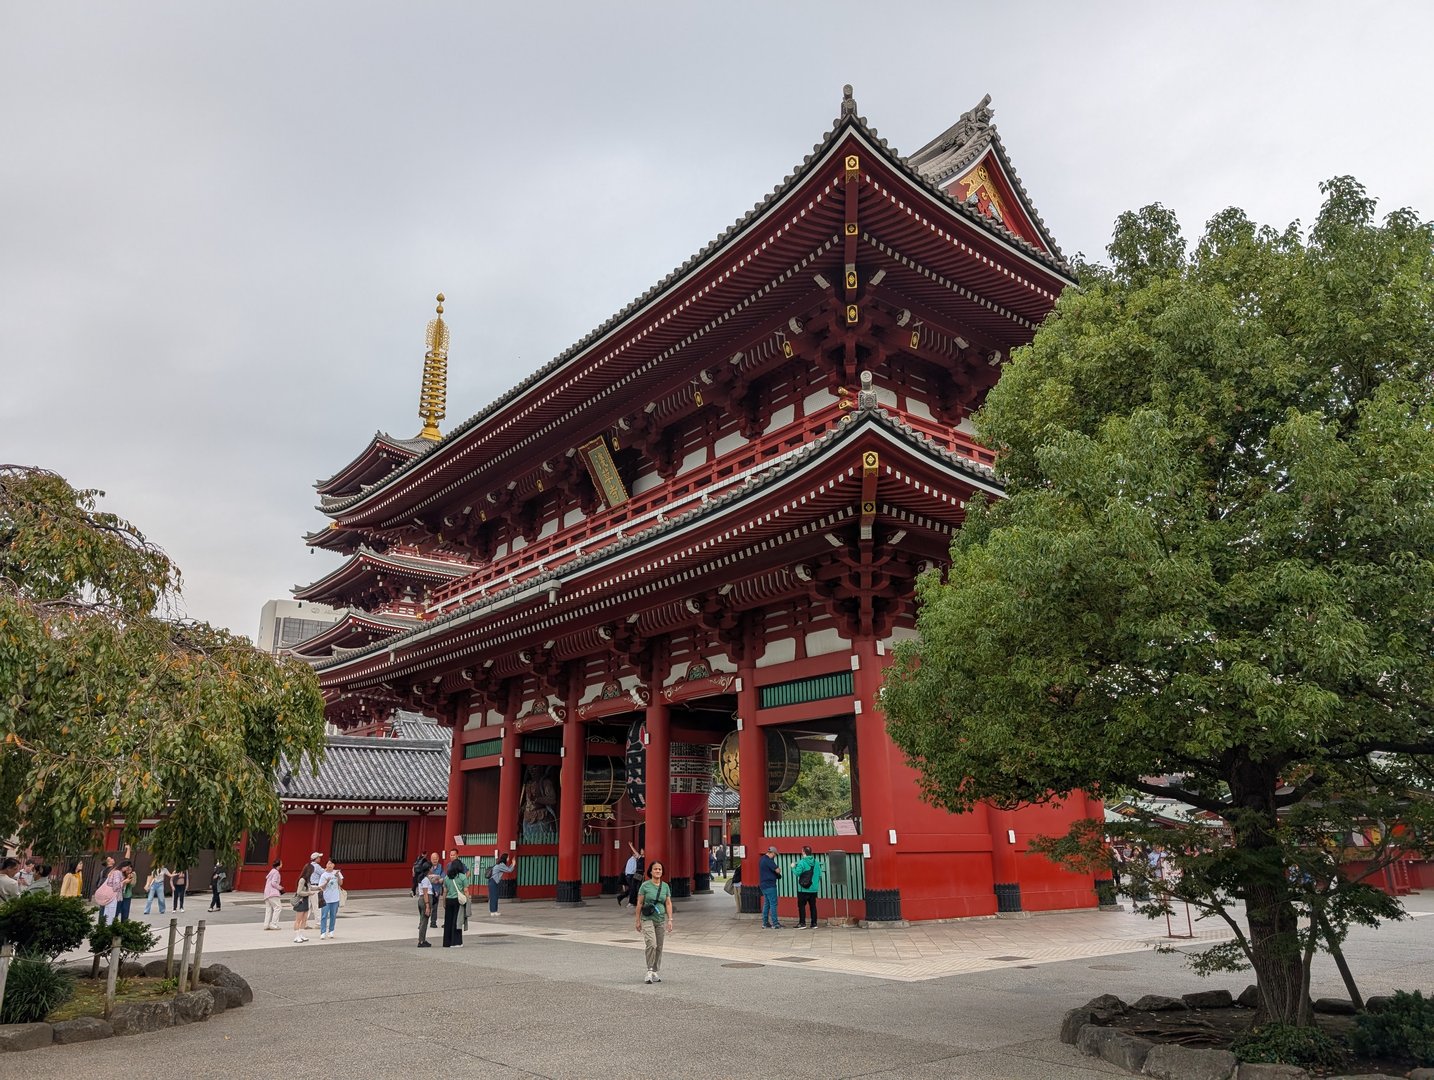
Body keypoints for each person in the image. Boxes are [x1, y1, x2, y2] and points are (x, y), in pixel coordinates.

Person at [634, 859, 674, 984]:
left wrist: (670, 920)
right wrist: (637, 921)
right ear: (650, 871)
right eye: (655, 869)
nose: (657, 871)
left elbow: (668, 903)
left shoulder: (665, 886)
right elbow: (639, 903)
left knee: (659, 946)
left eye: (660, 869)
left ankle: (655, 970)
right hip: (647, 919)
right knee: (652, 943)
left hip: (660, 919)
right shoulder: (645, 886)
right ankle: (649, 970)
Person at [793, 845, 822, 928]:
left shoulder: (802, 862)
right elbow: (820, 875)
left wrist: (792, 867)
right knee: (813, 906)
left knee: (801, 906)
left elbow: (797, 873)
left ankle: (802, 923)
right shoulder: (816, 862)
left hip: (803, 889)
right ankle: (814, 924)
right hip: (813, 889)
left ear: (803, 852)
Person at [442, 860, 469, 948]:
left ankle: (447, 942)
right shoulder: (462, 877)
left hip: (449, 900)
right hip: (458, 901)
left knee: (448, 921)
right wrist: (467, 900)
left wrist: (444, 902)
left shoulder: (447, 877)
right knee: (457, 921)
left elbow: (445, 891)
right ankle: (456, 942)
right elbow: (465, 890)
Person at [317, 859, 344, 939]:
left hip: (335, 898)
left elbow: (341, 883)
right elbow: (321, 887)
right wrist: (327, 881)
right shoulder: (324, 875)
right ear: (326, 865)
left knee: (333, 915)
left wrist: (338, 876)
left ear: (334, 865)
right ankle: (323, 932)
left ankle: (331, 931)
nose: (330, 865)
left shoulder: (337, 873)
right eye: (328, 863)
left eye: (331, 863)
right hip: (326, 898)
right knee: (324, 915)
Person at [758, 845, 783, 929]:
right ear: (771, 853)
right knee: (773, 904)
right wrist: (779, 869)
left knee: (767, 904)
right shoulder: (768, 860)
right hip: (770, 885)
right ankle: (775, 923)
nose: (775, 857)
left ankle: (765, 923)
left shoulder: (762, 859)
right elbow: (777, 870)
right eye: (775, 855)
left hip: (763, 885)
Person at [94, 860, 124, 924]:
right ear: (108, 862)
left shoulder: (103, 871)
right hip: (109, 893)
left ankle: (101, 923)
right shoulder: (113, 870)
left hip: (103, 892)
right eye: (110, 858)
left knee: (103, 909)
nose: (113, 859)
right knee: (107, 910)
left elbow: (98, 881)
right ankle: (104, 924)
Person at [291, 865, 313, 943]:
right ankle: (296, 936)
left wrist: (319, 887)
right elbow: (299, 892)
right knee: (298, 919)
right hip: (301, 901)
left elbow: (310, 887)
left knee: (304, 919)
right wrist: (309, 893)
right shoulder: (302, 880)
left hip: (306, 900)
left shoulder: (307, 880)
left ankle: (301, 934)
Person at [262, 858, 284, 930]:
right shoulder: (276, 872)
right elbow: (273, 883)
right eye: (281, 863)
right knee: (278, 907)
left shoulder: (271, 871)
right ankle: (273, 924)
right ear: (279, 865)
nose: (282, 864)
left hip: (267, 892)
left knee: (268, 909)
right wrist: (279, 887)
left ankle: (266, 924)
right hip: (273, 892)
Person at [415, 865, 434, 948]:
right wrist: (427, 905)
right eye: (431, 867)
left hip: (421, 899)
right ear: (428, 869)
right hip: (425, 899)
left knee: (423, 920)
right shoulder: (425, 879)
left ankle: (422, 939)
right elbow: (425, 892)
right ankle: (421, 941)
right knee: (424, 921)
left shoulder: (421, 878)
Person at [427, 851, 444, 928]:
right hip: (429, 889)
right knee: (427, 906)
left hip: (436, 889)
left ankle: (433, 922)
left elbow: (443, 875)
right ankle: (423, 922)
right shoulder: (427, 866)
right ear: (430, 859)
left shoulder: (440, 867)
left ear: (438, 859)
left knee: (435, 907)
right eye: (433, 859)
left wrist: (441, 879)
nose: (435, 860)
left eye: (436, 859)